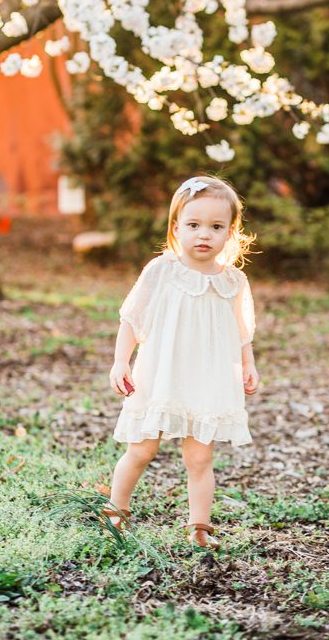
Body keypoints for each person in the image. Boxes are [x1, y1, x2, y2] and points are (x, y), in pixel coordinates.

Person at [105, 175, 259, 549]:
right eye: (193, 225)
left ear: (230, 232)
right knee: (141, 449)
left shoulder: (233, 282)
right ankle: (114, 513)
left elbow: (241, 332)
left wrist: (249, 364)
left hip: (206, 380)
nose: (203, 234)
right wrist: (120, 362)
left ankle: (199, 529)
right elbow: (132, 319)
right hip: (161, 376)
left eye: (216, 226)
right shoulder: (162, 271)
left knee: (200, 457)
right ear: (176, 228)